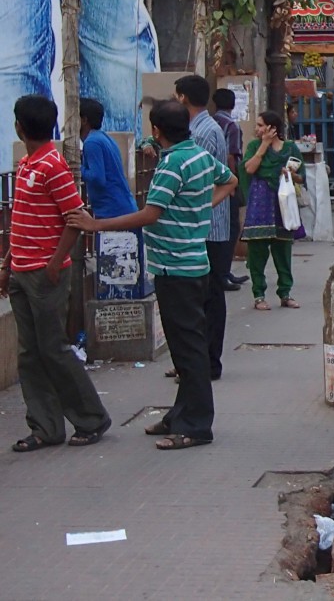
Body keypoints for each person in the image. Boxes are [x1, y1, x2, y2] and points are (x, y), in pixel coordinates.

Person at [69, 100, 238, 451]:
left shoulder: (172, 164)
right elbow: (230, 180)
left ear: (157, 130)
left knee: (189, 349)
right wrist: (202, 205)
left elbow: (148, 214)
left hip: (177, 268)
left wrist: (96, 224)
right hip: (186, 264)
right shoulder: (196, 155)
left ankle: (197, 425)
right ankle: (180, 414)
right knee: (182, 346)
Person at [2, 95, 111, 452]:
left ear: (20, 127)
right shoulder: (27, 164)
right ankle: (45, 426)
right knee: (30, 353)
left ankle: (90, 418)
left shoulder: (52, 165)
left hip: (44, 274)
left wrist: (53, 264)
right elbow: (20, 219)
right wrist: (7, 263)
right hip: (22, 270)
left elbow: (74, 219)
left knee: (54, 349)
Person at [175, 75, 231, 381]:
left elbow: (204, 178)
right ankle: (198, 359)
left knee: (208, 296)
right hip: (205, 223)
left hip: (208, 225)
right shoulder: (201, 129)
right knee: (202, 296)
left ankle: (208, 361)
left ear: (183, 98)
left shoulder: (204, 132)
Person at [240, 110, 305, 310]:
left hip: (282, 204)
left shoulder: (290, 148)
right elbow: (249, 169)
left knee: (283, 250)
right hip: (260, 203)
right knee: (257, 251)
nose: (257, 129)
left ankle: (285, 293)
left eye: (260, 125)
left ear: (272, 128)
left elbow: (301, 176)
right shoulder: (254, 146)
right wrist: (264, 145)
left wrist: (291, 175)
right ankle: (258, 295)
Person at [211, 89, 248, 290]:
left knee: (219, 227)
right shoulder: (231, 126)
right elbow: (232, 156)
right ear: (232, 105)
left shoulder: (210, 122)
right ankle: (223, 272)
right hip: (227, 181)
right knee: (231, 227)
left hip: (212, 180)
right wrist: (232, 182)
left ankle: (223, 271)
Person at [79, 97, 137, 220]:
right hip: (121, 210)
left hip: (113, 213)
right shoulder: (104, 138)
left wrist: (77, 168)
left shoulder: (91, 143)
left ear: (83, 120)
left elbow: (97, 178)